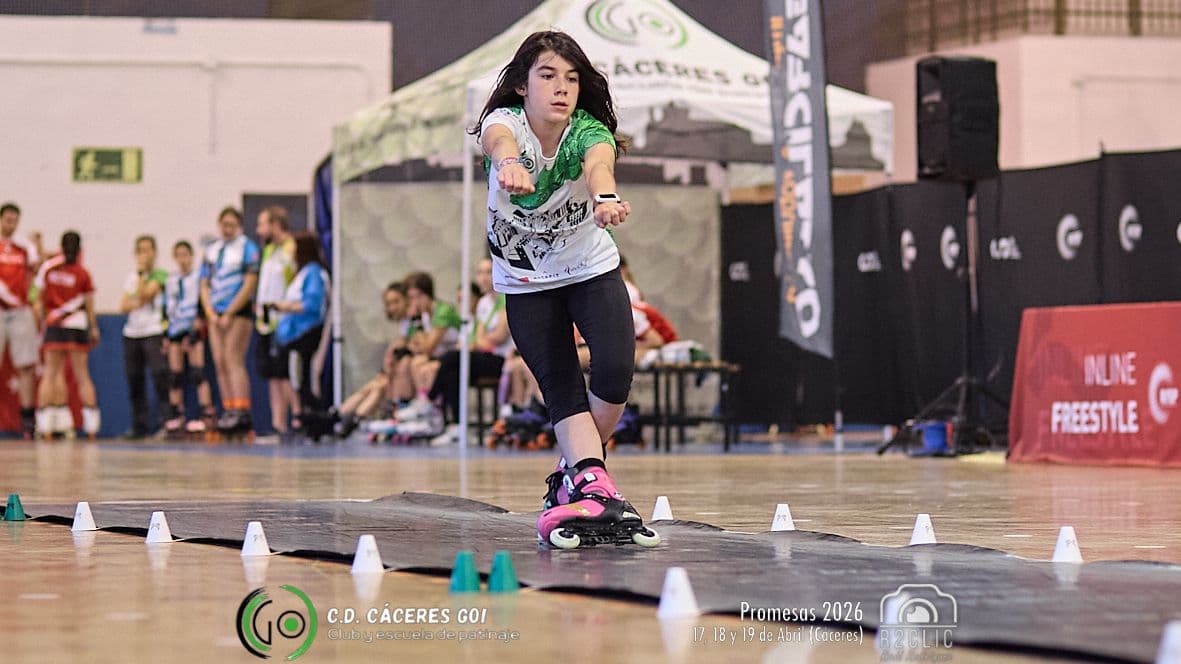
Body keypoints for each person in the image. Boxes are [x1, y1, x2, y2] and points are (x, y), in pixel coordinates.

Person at [472, 30, 659, 548]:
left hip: (589, 266)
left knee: (617, 369)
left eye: (572, 79)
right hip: (527, 280)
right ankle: (595, 485)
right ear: (521, 86)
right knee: (561, 389)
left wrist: (605, 197)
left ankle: (575, 474)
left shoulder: (587, 131)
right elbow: (499, 143)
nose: (561, 88)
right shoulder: (505, 124)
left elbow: (600, 162)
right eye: (548, 76)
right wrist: (507, 163)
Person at [428, 258, 511, 443]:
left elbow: (500, 336)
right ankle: (457, 426)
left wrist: (484, 340)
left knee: (450, 358)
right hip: (484, 355)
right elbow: (479, 337)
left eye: (488, 272)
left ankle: (429, 401)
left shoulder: (506, 297)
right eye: (480, 273)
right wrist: (484, 340)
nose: (483, 278)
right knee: (453, 371)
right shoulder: (483, 303)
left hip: (500, 358)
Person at [32, 231, 99, 439]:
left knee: (50, 373)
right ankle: (91, 428)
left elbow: (38, 300)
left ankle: (45, 427)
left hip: (54, 325)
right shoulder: (82, 272)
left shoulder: (49, 268)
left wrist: (40, 323)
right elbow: (89, 303)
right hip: (77, 326)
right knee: (82, 375)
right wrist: (93, 326)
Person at [200, 207, 260, 436]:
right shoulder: (213, 250)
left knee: (234, 358)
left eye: (231, 225)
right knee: (220, 360)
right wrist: (210, 311)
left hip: (237, 312)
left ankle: (242, 409)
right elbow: (204, 283)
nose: (227, 229)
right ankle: (229, 407)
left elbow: (249, 282)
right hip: (216, 312)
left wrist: (231, 312)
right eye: (223, 224)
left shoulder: (247, 248)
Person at [334, 281, 416, 437]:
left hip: (407, 374)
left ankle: (350, 418)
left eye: (396, 302)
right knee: (374, 384)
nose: (392, 308)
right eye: (389, 304)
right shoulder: (404, 325)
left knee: (379, 386)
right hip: (396, 371)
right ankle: (341, 415)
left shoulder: (415, 323)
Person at [273, 231, 330, 442]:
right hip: (294, 336)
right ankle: (309, 419)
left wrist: (283, 306)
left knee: (302, 379)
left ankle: (314, 421)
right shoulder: (303, 273)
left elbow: (311, 304)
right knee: (298, 379)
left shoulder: (313, 273)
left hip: (305, 335)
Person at [119, 235, 170, 438]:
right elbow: (123, 306)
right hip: (132, 333)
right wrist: (136, 297)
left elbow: (145, 295)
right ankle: (138, 425)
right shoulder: (131, 277)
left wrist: (142, 277)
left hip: (153, 331)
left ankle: (167, 422)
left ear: (155, 252)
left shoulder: (160, 275)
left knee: (159, 376)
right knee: (134, 379)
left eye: (147, 250)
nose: (143, 255)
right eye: (139, 250)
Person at [254, 206, 296, 443]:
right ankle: (277, 424)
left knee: (285, 374)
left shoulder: (292, 248)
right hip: (266, 321)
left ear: (275, 224)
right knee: (272, 375)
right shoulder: (269, 250)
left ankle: (295, 420)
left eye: (263, 224)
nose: (259, 230)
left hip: (286, 321)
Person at [163, 240, 214, 435]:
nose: (183, 259)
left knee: (198, 372)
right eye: (179, 255)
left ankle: (205, 414)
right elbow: (165, 309)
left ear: (191, 256)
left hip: (192, 327)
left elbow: (203, 303)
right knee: (174, 375)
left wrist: (195, 331)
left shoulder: (197, 278)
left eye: (186, 254)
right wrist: (166, 335)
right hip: (175, 329)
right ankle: (176, 416)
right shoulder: (171, 280)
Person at [0, 202, 42, 438]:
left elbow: (37, 273)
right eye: (7, 219)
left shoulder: (24, 248)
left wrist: (39, 245)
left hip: (20, 311)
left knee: (26, 365)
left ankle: (28, 419)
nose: (10, 224)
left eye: (14, 220)